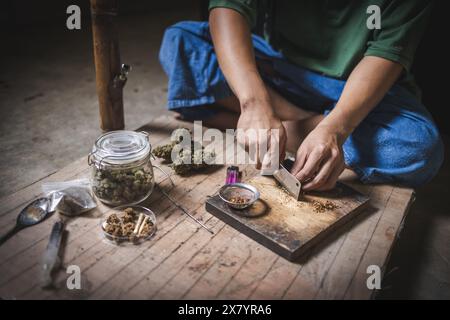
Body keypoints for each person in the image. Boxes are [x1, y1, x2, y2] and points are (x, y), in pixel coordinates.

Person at [159, 0, 444, 191]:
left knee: (418, 146)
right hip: (282, 69)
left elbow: (386, 55)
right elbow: (228, 8)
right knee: (180, 40)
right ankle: (277, 122)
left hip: (362, 88)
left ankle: (253, 123)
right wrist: (254, 102)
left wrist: (335, 129)